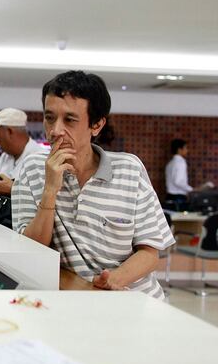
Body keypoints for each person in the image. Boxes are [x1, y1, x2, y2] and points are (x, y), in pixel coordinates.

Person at [12, 71, 174, 298]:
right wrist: (50, 191)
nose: (56, 130)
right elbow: (30, 251)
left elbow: (149, 253)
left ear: (96, 125)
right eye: (49, 118)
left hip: (133, 298)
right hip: (74, 297)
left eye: (69, 120)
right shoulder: (32, 168)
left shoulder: (129, 169)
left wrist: (111, 280)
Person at [0, 108, 44, 197]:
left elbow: (43, 197)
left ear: (10, 131)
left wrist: (12, 189)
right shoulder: (5, 156)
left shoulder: (39, 157)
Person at [165, 139, 192, 207]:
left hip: (169, 196)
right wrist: (191, 189)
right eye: (185, 148)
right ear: (179, 149)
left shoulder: (169, 164)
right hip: (178, 198)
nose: (187, 150)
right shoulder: (181, 162)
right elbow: (178, 181)